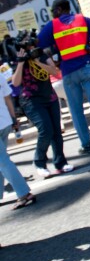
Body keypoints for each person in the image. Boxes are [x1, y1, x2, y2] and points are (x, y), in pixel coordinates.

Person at [37, 0, 90, 156]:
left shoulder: (52, 25)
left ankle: (87, 145)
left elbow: (38, 43)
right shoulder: (82, 19)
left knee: (76, 110)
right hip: (87, 66)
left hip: (68, 71)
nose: (53, 15)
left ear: (60, 9)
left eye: (53, 11)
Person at [11, 35, 72, 177]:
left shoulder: (41, 55)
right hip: (31, 100)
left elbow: (54, 72)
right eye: (28, 45)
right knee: (45, 130)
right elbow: (15, 82)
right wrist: (21, 62)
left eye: (31, 44)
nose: (31, 47)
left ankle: (61, 163)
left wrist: (37, 62)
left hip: (49, 97)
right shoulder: (19, 60)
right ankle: (39, 162)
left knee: (56, 131)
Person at [0, 76, 37, 210]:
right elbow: (7, 97)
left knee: (2, 161)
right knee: (1, 160)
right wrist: (13, 118)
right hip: (4, 122)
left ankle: (24, 193)